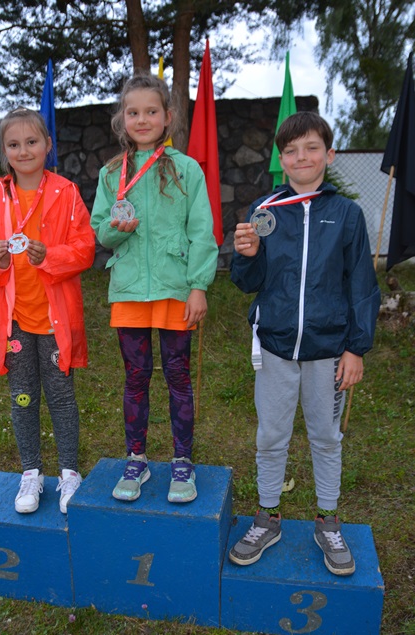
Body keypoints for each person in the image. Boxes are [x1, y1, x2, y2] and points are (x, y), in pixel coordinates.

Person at [229, 112, 380, 576]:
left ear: (329, 155)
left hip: (329, 350)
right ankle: (268, 517)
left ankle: (327, 521)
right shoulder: (266, 210)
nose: (302, 157)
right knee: (271, 435)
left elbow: (362, 285)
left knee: (326, 437)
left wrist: (356, 348)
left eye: (312, 148)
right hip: (276, 347)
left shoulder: (347, 214)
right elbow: (248, 281)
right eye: (292, 151)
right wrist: (246, 255)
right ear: (281, 159)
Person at [91, 73, 218, 504]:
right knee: (136, 378)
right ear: (122, 119)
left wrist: (197, 286)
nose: (142, 119)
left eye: (151, 111)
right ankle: (137, 459)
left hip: (174, 289)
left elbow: (201, 231)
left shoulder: (187, 169)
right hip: (129, 290)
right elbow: (101, 231)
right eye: (133, 112)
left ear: (168, 116)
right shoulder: (111, 173)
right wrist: (117, 229)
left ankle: (183, 462)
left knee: (178, 377)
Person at [0, 107, 95, 515]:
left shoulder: (66, 193)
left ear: (48, 145)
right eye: (14, 144)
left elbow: (85, 248)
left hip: (55, 321)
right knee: (22, 399)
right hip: (14, 323)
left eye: (32, 142)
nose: (24, 151)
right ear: (4, 151)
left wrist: (49, 255)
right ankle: (31, 472)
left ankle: (69, 473)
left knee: (61, 398)